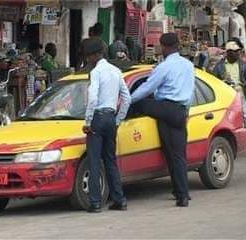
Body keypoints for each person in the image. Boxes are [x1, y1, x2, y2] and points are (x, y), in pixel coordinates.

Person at [131, 33, 195, 207]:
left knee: (141, 103)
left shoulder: (164, 67)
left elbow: (147, 88)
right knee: (177, 155)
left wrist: (128, 99)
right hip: (181, 111)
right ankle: (182, 193)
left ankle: (181, 194)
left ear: (164, 47)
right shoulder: (189, 65)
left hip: (167, 109)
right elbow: (190, 91)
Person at [83, 38, 131, 213]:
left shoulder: (96, 72)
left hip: (98, 117)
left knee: (94, 161)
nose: (88, 60)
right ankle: (119, 199)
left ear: (95, 55)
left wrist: (88, 121)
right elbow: (127, 98)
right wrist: (118, 120)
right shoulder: (116, 71)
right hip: (111, 118)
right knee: (111, 160)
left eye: (89, 56)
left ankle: (95, 202)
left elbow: (93, 98)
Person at [213, 40, 246, 158]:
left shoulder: (243, 64)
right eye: (234, 52)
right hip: (225, 97)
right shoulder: (219, 66)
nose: (237, 54)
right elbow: (213, 80)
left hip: (240, 96)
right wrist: (223, 82)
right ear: (228, 53)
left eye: (238, 51)